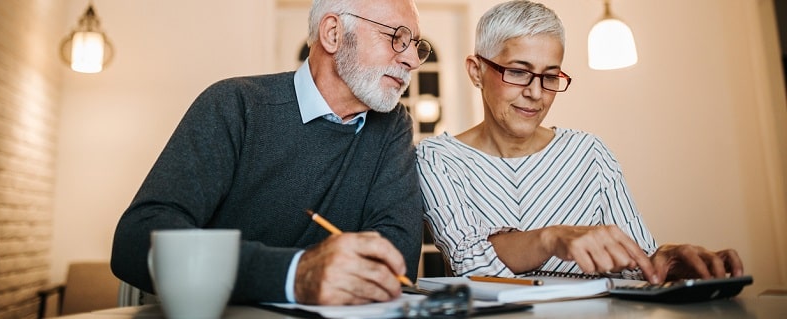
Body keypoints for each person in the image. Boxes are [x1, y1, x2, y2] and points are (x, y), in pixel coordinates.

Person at [111, 0, 432, 305]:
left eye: (415, 44)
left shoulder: (392, 126)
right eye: (396, 37)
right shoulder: (235, 105)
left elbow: (395, 263)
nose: (413, 60)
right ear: (333, 33)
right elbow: (136, 242)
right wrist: (294, 275)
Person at [416, 0, 743, 284]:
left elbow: (636, 266)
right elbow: (471, 262)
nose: (536, 92)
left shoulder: (590, 153)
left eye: (550, 76)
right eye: (518, 71)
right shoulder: (437, 159)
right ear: (476, 71)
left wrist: (667, 261)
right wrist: (551, 238)